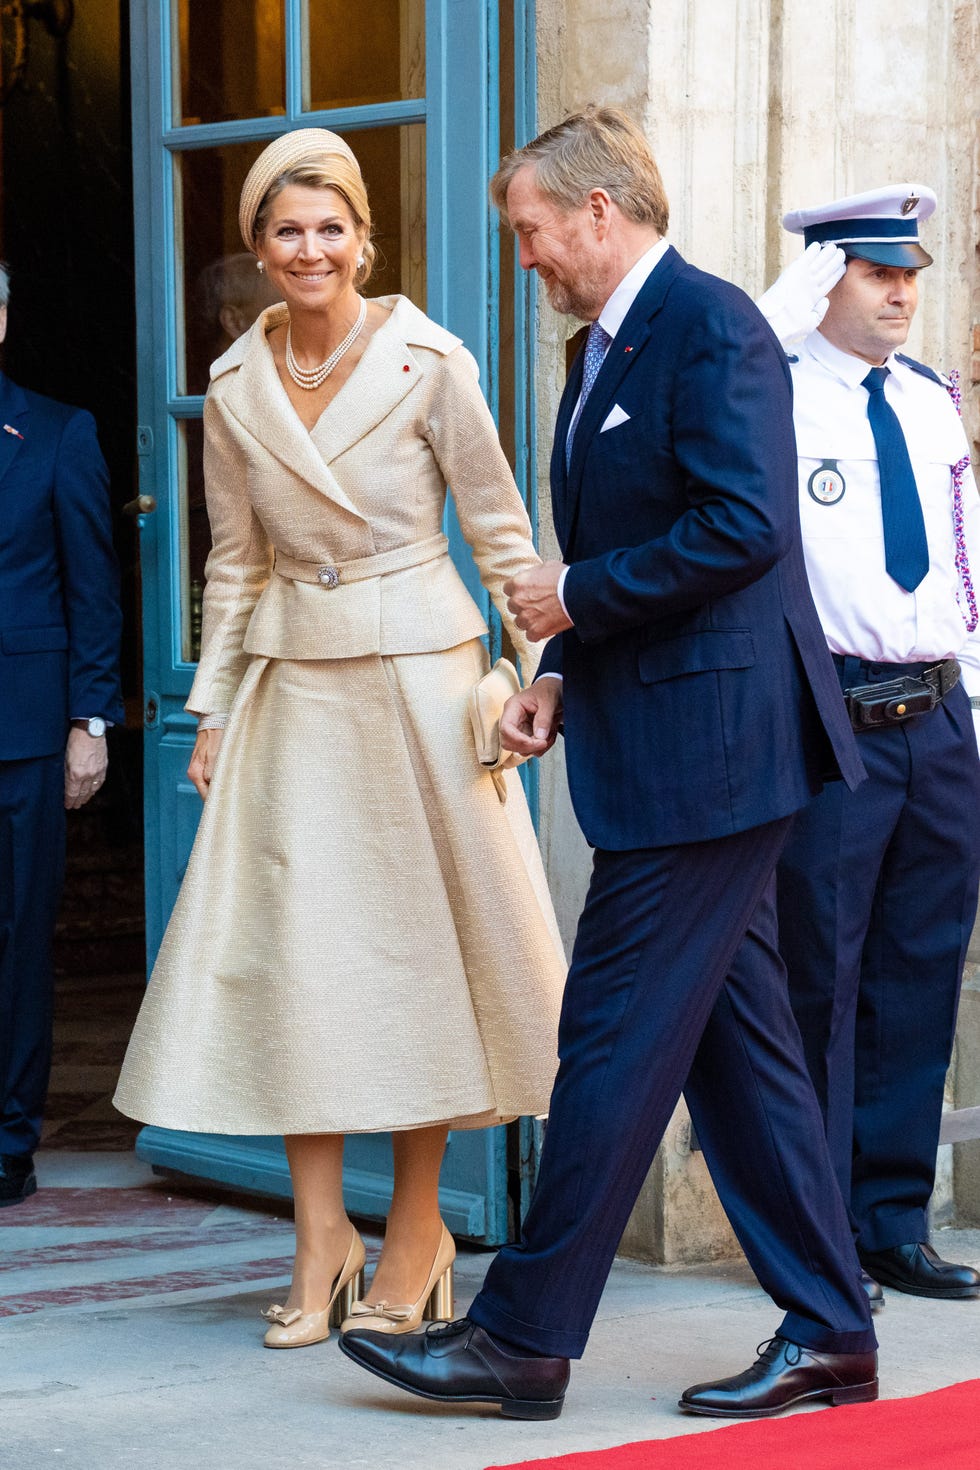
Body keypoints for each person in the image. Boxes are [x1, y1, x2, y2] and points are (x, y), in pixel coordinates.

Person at [339, 106, 878, 1421]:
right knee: (740, 1055)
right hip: (669, 742)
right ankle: (832, 1332)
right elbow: (644, 542)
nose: (524, 257)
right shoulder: (603, 347)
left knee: (610, 1035)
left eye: (530, 232)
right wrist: (561, 675)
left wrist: (574, 595)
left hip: (714, 757)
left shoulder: (709, 324)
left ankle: (522, 1340)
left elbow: (744, 527)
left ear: (597, 211)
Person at [113, 129, 566, 1347]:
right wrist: (212, 709)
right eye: (286, 230)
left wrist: (539, 679)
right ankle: (321, 1240)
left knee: (417, 961)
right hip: (293, 694)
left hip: (420, 685)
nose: (309, 249)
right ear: (258, 249)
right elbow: (234, 563)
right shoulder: (235, 385)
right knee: (300, 966)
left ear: (364, 240)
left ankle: (416, 1232)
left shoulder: (430, 362)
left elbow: (502, 537)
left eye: (330, 228)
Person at [769, 186, 980, 1303]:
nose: (900, 293)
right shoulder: (773, 390)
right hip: (835, 717)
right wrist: (773, 317)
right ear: (823, 278)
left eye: (909, 275)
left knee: (917, 971)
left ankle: (890, 1220)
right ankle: (814, 1235)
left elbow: (960, 552)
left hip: (936, 717)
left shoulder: (929, 398)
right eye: (875, 273)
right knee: (819, 977)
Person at [0, 261, 124, 1206]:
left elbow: (93, 585)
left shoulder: (57, 432)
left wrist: (91, 718)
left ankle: (9, 1136)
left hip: (24, 729)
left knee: (16, 936)